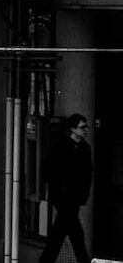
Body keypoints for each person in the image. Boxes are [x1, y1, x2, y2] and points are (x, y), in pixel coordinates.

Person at [41, 113, 94, 263]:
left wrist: (83, 195)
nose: (86, 130)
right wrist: (59, 186)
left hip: (74, 198)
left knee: (60, 235)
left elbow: (87, 174)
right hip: (63, 197)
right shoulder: (60, 147)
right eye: (82, 127)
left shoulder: (85, 149)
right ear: (73, 129)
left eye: (86, 127)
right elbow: (46, 169)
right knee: (75, 235)